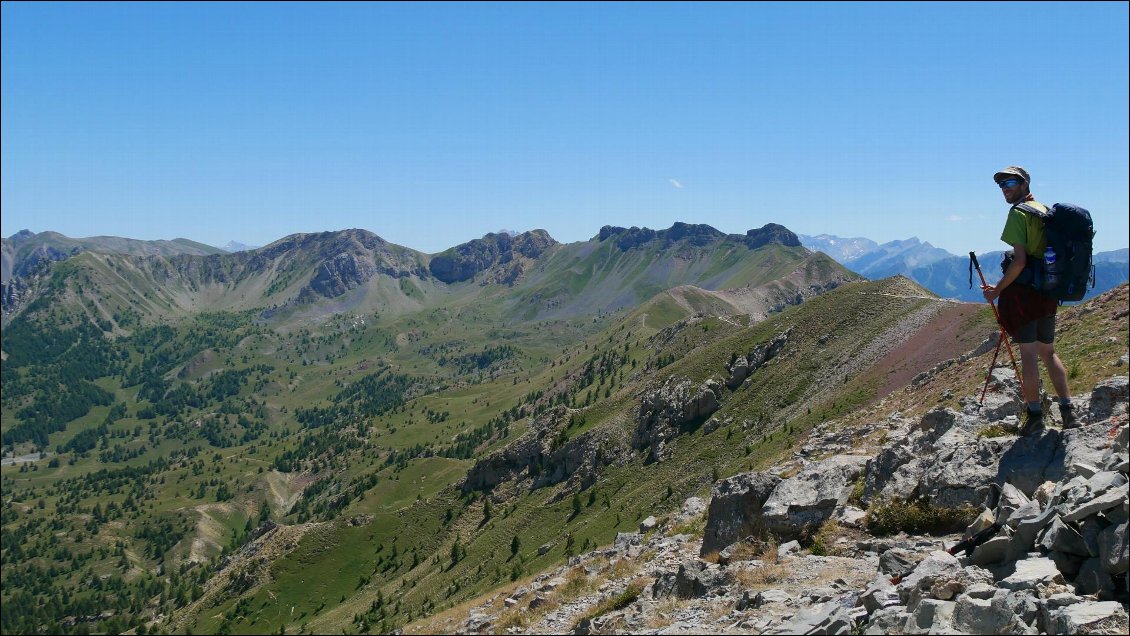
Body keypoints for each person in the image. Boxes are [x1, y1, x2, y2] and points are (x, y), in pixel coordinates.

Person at [981, 165, 1077, 435]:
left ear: (1024, 184)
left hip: (1025, 296)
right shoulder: (1046, 211)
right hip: (1048, 292)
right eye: (1002, 184)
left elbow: (1020, 261)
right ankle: (1069, 413)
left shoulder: (1019, 213)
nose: (1005, 188)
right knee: (1049, 352)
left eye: (1011, 182)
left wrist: (997, 290)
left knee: (1029, 356)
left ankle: (1035, 416)